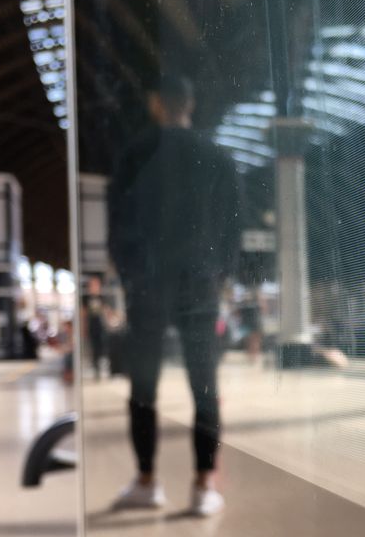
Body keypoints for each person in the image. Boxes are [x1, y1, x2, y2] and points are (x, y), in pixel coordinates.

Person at [108, 74, 242, 516]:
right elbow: (232, 227)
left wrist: (131, 274)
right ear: (190, 103)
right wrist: (217, 274)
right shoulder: (217, 157)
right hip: (199, 282)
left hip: (149, 284)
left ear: (155, 104)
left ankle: (147, 480)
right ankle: (203, 485)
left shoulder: (135, 155)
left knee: (142, 387)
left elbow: (117, 221)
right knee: (204, 384)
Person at [82, 275, 110, 380]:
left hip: (101, 327)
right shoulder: (86, 299)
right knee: (93, 348)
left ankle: (100, 367)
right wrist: (83, 328)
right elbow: (83, 314)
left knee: (101, 348)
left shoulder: (102, 298)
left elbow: (106, 311)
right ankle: (95, 368)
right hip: (91, 326)